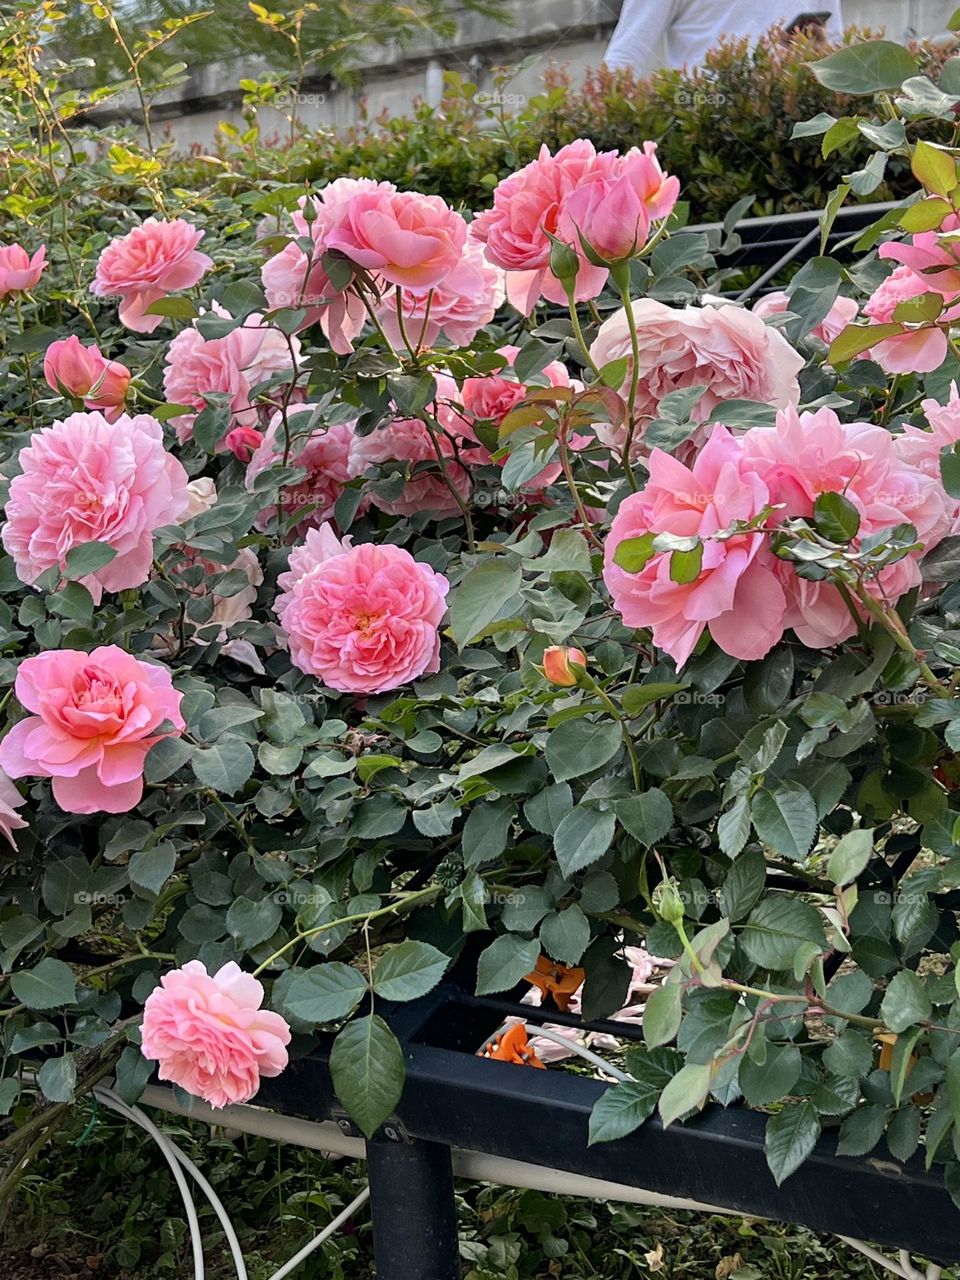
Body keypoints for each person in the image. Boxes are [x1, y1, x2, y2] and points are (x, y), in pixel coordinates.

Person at [603, 0, 844, 75]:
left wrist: (819, 50)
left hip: (797, 127)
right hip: (705, 128)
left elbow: (837, 50)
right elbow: (624, 56)